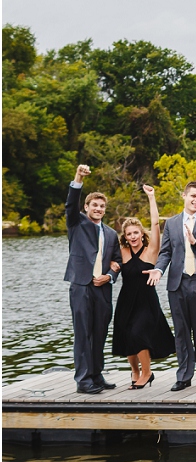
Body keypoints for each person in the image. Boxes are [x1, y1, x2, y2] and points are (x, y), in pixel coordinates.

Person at [145, 180, 196, 391]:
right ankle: (183, 376)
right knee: (181, 331)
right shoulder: (172, 223)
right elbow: (165, 252)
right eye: (193, 196)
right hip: (178, 283)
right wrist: (159, 269)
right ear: (184, 196)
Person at [64, 164, 123, 394]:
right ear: (86, 207)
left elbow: (117, 262)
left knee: (99, 332)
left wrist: (109, 276)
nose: (98, 209)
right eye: (94, 205)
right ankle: (83, 380)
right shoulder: (77, 223)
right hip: (81, 286)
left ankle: (97, 375)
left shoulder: (110, 233)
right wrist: (78, 177)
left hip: (102, 289)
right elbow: (70, 205)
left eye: (102, 206)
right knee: (83, 334)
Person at [111, 184, 174, 389]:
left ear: (141, 233)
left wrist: (152, 198)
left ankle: (147, 373)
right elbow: (105, 258)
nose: (133, 237)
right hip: (126, 301)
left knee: (138, 334)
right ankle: (136, 372)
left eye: (136, 233)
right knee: (127, 338)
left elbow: (155, 223)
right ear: (125, 236)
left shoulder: (152, 250)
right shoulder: (122, 252)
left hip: (146, 301)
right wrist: (111, 265)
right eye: (129, 234)